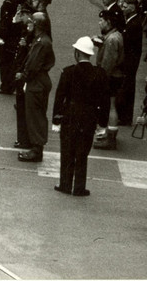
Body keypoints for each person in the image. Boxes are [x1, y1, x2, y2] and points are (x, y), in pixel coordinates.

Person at [51, 36, 109, 195]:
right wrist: (103, 124)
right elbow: (105, 101)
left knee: (67, 151)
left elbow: (59, 97)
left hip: (70, 116)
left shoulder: (69, 72)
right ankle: (79, 187)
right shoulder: (100, 74)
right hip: (89, 117)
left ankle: (65, 184)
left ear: (77, 53)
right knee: (82, 153)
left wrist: (56, 120)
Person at [17, 12, 55, 162]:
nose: (29, 25)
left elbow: (33, 65)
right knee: (35, 114)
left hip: (37, 82)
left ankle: (37, 149)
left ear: (38, 25)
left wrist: (23, 76)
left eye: (31, 22)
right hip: (38, 80)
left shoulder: (41, 42)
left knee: (35, 116)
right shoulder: (40, 40)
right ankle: (35, 146)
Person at [94, 9, 126, 150]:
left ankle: (111, 137)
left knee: (111, 105)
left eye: (102, 21)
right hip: (115, 75)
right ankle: (108, 133)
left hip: (111, 76)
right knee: (109, 105)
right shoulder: (113, 36)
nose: (99, 23)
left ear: (109, 22)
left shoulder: (112, 39)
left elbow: (108, 63)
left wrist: (100, 78)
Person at [0, 0, 24, 94]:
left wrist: (1, 37)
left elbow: (5, 22)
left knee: (5, 62)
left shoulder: (9, 2)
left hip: (8, 37)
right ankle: (10, 85)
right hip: (16, 35)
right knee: (11, 61)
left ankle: (6, 86)